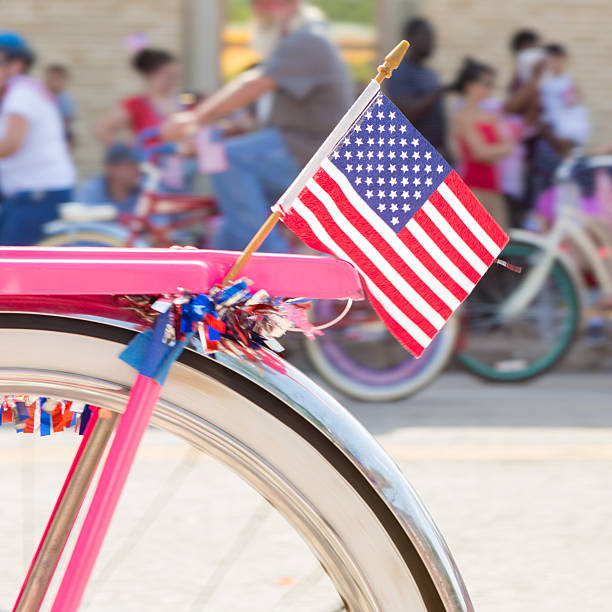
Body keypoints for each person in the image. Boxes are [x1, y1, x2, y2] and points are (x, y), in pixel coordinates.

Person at [162, 0, 352, 252]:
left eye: (263, 7)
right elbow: (268, 116)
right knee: (227, 232)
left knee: (227, 158)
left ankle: (273, 269)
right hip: (296, 151)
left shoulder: (307, 40)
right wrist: (224, 132)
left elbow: (253, 85)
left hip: (310, 156)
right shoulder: (296, 43)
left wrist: (194, 119)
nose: (257, 12)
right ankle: (224, 278)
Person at [0, 32, 75, 245]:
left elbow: (10, 144)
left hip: (37, 196)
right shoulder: (20, 90)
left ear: (16, 64)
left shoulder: (21, 93)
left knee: (10, 268)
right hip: (34, 194)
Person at [452, 58, 513, 230]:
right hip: (473, 190)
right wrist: (497, 151)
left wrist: (492, 152)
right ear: (470, 85)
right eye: (485, 83)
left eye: (491, 84)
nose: (489, 88)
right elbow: (479, 152)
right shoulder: (462, 116)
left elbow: (508, 146)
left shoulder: (490, 116)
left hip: (493, 188)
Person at [387, 18, 450, 158]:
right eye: (426, 37)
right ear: (410, 38)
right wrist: (437, 92)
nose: (431, 43)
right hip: (413, 156)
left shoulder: (429, 73)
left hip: (435, 153)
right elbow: (407, 112)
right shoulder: (400, 71)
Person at [96, 48, 181, 144]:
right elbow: (103, 128)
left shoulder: (183, 101)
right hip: (150, 157)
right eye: (168, 76)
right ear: (151, 74)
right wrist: (126, 149)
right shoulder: (136, 104)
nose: (172, 81)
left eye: (175, 76)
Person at [76, 143, 141, 211]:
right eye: (130, 166)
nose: (137, 171)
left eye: (137, 166)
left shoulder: (144, 192)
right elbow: (83, 217)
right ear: (111, 168)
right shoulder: (93, 190)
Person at [45, 63, 77, 146]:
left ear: (64, 81)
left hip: (59, 135)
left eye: (56, 79)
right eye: (50, 79)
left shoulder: (65, 100)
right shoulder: (42, 97)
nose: (53, 82)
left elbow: (68, 120)